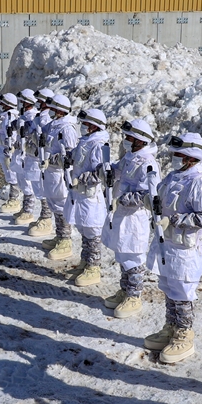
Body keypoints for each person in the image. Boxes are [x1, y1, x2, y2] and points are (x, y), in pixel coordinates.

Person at [144, 133, 202, 363]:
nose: (175, 158)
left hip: (186, 249)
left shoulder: (200, 181)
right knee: (169, 287)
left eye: (180, 154)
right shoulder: (175, 176)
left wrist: (174, 221)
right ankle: (171, 327)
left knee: (183, 293)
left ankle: (184, 335)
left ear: (192, 157)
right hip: (168, 245)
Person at [102, 119, 159, 317]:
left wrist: (122, 198)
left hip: (135, 218)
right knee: (122, 253)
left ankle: (134, 295)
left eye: (130, 138)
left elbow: (147, 196)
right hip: (122, 216)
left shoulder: (148, 163)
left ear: (141, 140)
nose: (126, 140)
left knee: (133, 257)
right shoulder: (130, 156)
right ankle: (125, 289)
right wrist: (109, 172)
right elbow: (119, 170)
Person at [62, 109, 111, 285]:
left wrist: (80, 179)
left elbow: (100, 174)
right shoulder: (85, 142)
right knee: (84, 229)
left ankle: (94, 267)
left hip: (91, 196)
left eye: (86, 124)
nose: (83, 127)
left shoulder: (98, 145)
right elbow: (77, 159)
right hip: (79, 194)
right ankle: (85, 261)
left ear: (94, 126)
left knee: (93, 232)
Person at [40, 93, 79, 258]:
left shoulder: (67, 128)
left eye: (53, 108)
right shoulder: (54, 125)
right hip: (50, 173)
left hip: (60, 175)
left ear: (60, 110)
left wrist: (52, 160)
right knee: (54, 204)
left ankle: (66, 241)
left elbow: (70, 155)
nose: (50, 110)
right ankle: (60, 235)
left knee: (62, 206)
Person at [23, 89, 56, 236]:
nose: (38, 103)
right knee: (39, 189)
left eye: (40, 101)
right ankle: (43, 216)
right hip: (34, 158)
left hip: (41, 160)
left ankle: (46, 220)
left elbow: (47, 140)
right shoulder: (40, 116)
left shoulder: (47, 117)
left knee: (44, 191)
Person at [10, 89, 40, 225]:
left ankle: (29, 211)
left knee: (27, 184)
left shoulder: (33, 116)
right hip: (19, 152)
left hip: (25, 154)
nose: (21, 103)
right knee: (22, 181)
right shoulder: (24, 115)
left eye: (23, 101)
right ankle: (25, 208)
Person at [0, 92, 23, 214]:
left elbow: (12, 135)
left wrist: (9, 151)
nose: (1, 104)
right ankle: (13, 198)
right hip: (3, 150)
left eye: (3, 103)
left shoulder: (10, 116)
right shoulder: (5, 115)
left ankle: (14, 200)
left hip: (8, 151)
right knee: (9, 174)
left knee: (12, 175)